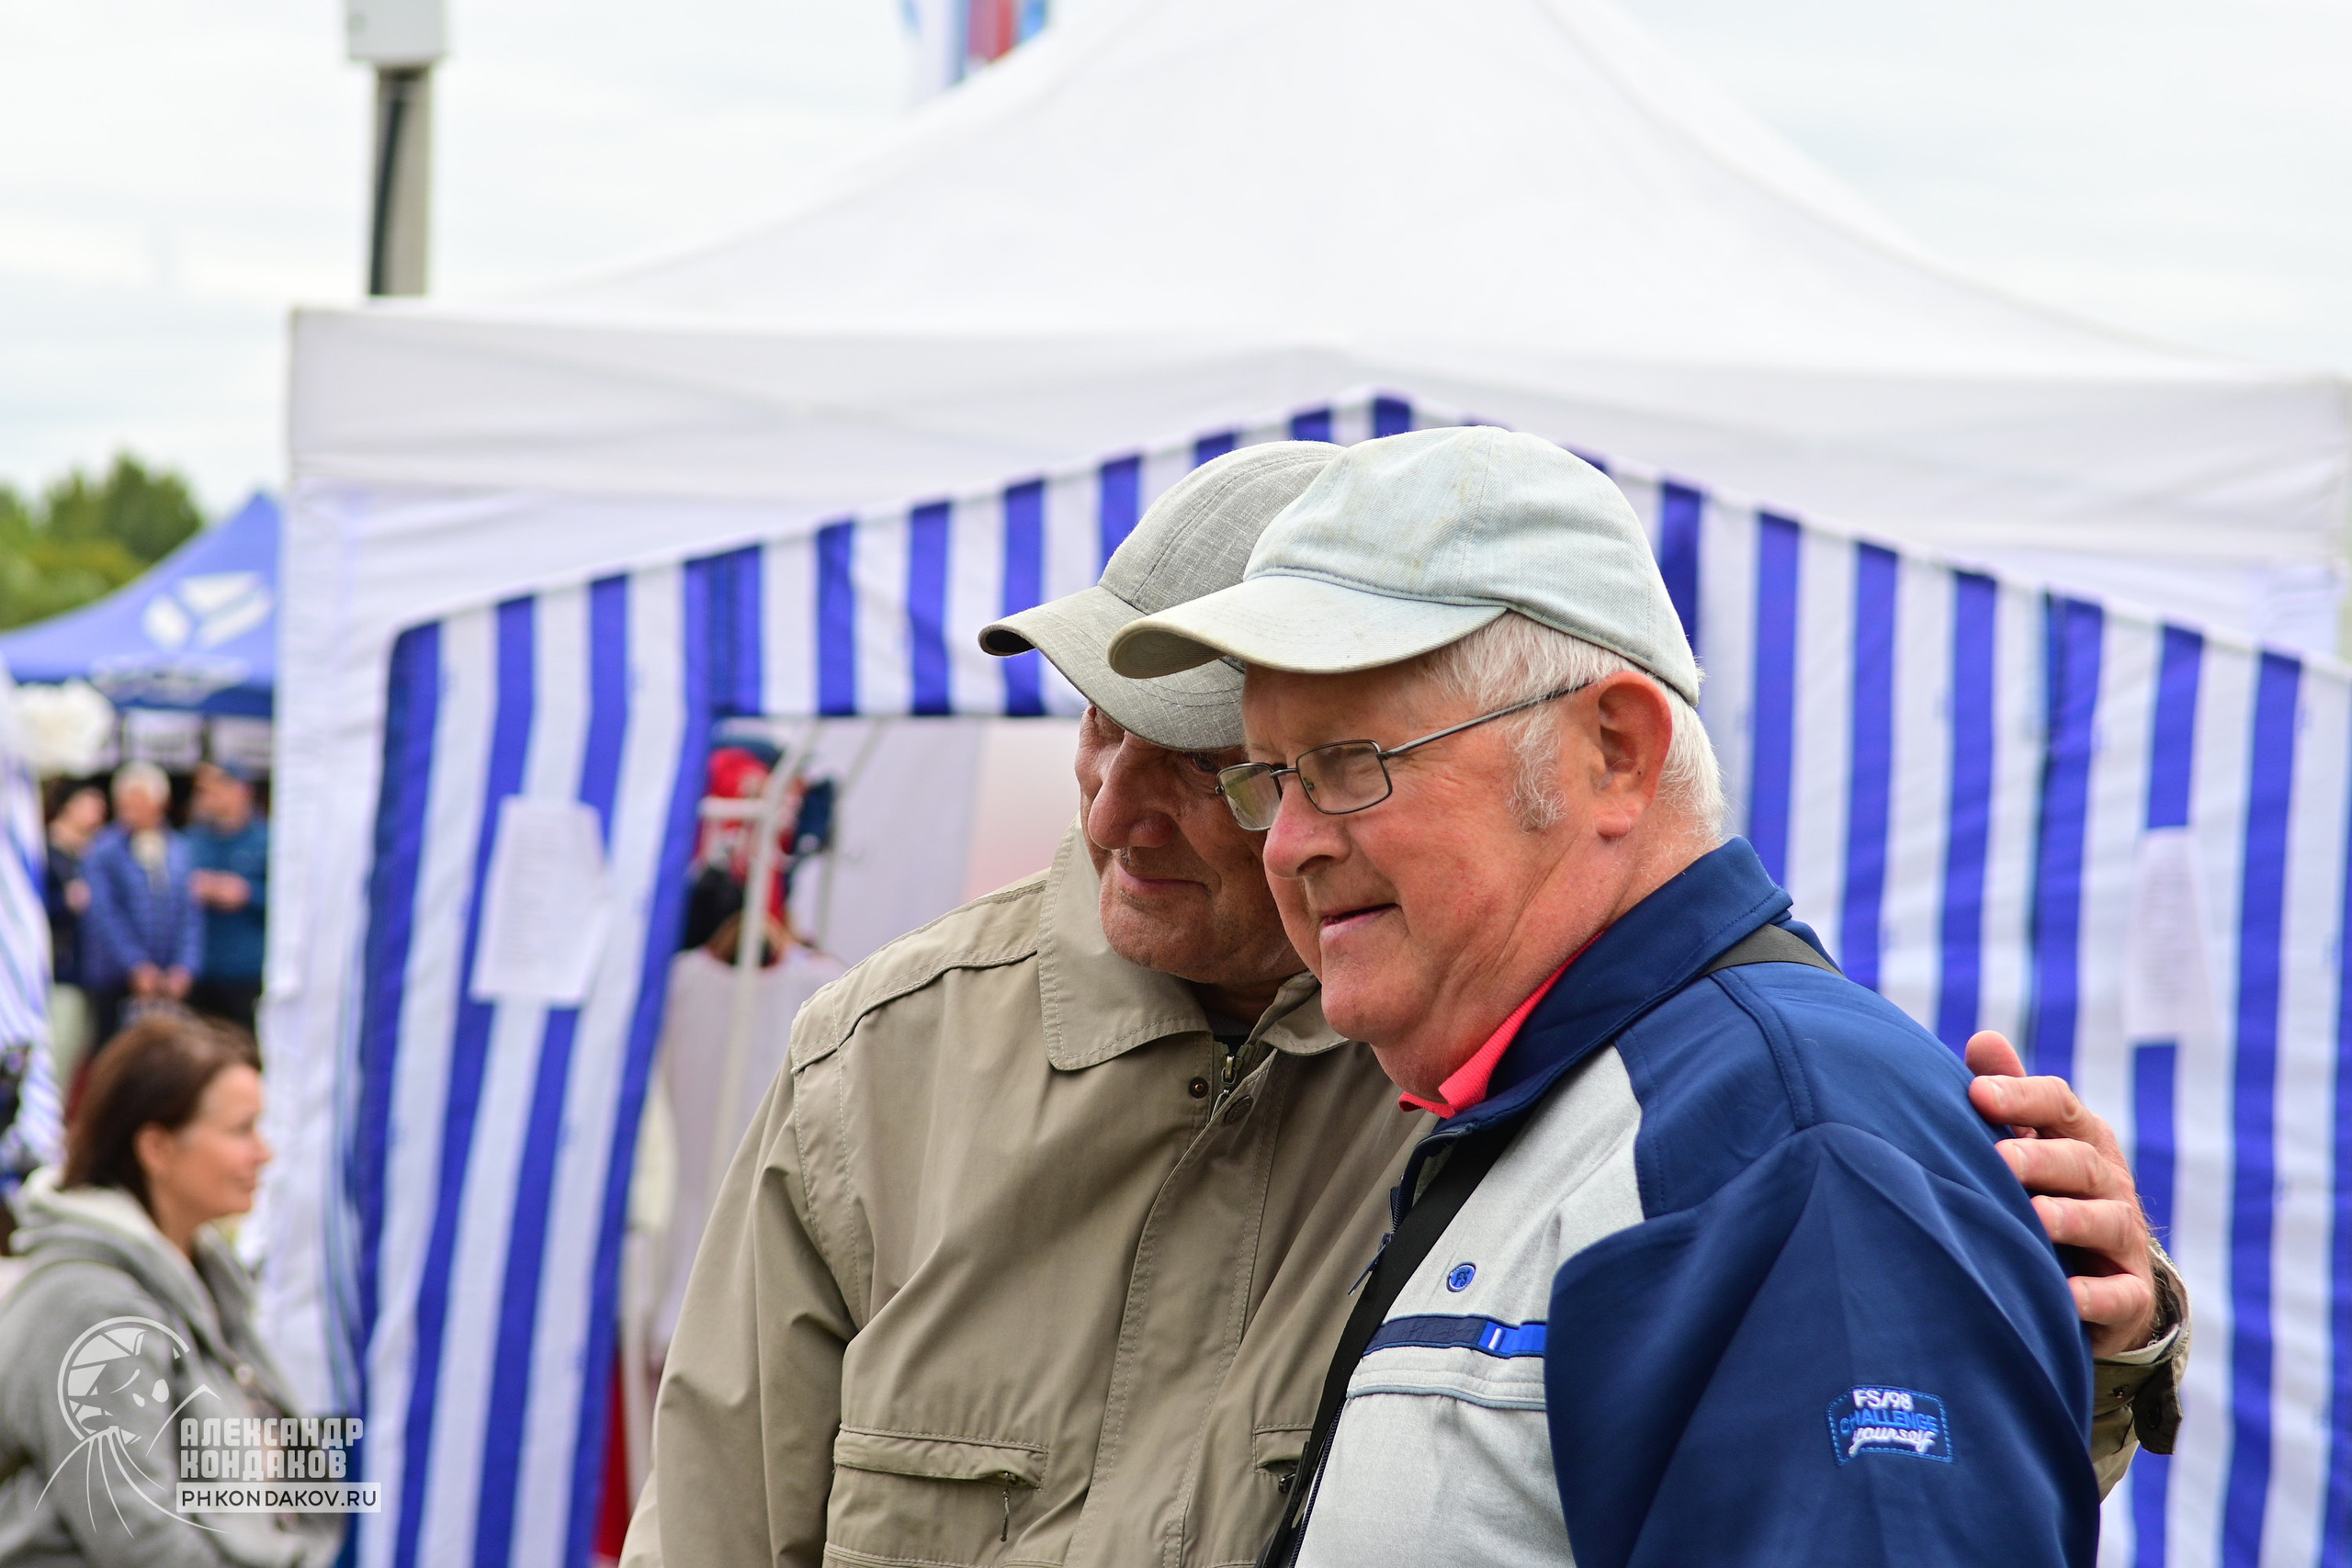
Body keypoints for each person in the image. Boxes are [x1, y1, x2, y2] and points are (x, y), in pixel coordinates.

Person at [624, 444, 2178, 1568]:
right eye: (1104, 734)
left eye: (1308, 761)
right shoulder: (885, 1063)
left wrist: (2091, 1332)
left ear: (1612, 755)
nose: (1115, 813)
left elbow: (1855, 1444)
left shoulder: (1566, 1076)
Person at [1111, 427, 2146, 1566]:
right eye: (1269, 779)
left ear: (1613, 752)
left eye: (1350, 761)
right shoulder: (1598, 1107)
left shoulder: (1787, 1143)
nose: (1289, 845)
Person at [0, 1014, 343, 1567]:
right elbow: (136, 1534)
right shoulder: (89, 1307)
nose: (265, 1153)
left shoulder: (207, 1278)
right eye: (242, 1130)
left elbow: (297, 1480)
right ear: (158, 1147)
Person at [77, 763, 201, 1055]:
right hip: (113, 978)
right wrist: (135, 965)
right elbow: (104, 914)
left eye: (138, 802)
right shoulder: (102, 850)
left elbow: (189, 914)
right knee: (109, 1054)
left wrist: (185, 967)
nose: (130, 810)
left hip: (166, 979)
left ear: (160, 803)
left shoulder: (180, 849)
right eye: (124, 803)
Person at [184, 763, 268, 1035]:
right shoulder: (191, 842)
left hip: (247, 973)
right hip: (200, 972)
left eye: (215, 789)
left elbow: (292, 907)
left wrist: (247, 893)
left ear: (241, 791)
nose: (207, 797)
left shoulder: (267, 841)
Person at [42, 784, 107, 1072]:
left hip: (91, 971)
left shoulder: (95, 854)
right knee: (59, 1050)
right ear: (69, 806)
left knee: (82, 1051)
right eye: (90, 807)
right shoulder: (44, 852)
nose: (97, 816)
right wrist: (63, 902)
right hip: (57, 969)